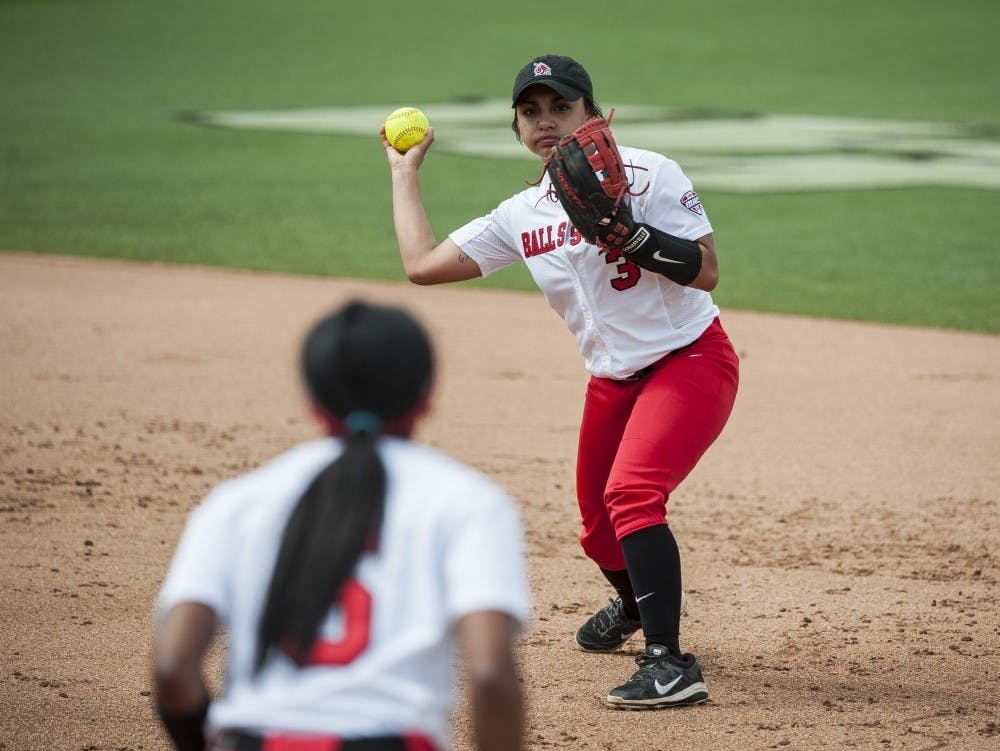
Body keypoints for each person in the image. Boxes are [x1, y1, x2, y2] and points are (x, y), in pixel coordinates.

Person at [379, 54, 739, 709]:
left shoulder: (650, 173)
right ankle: (633, 605)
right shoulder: (523, 213)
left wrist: (629, 234)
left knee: (631, 493)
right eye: (530, 111)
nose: (546, 121)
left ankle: (669, 662)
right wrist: (405, 174)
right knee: (598, 531)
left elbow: (708, 270)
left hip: (689, 361)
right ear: (516, 127)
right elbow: (423, 264)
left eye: (561, 107)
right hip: (612, 383)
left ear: (594, 115)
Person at [152, 300, 530, 751]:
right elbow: (489, 675)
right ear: (427, 395)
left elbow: (172, 667)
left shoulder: (236, 501)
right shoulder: (469, 502)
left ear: (312, 401)